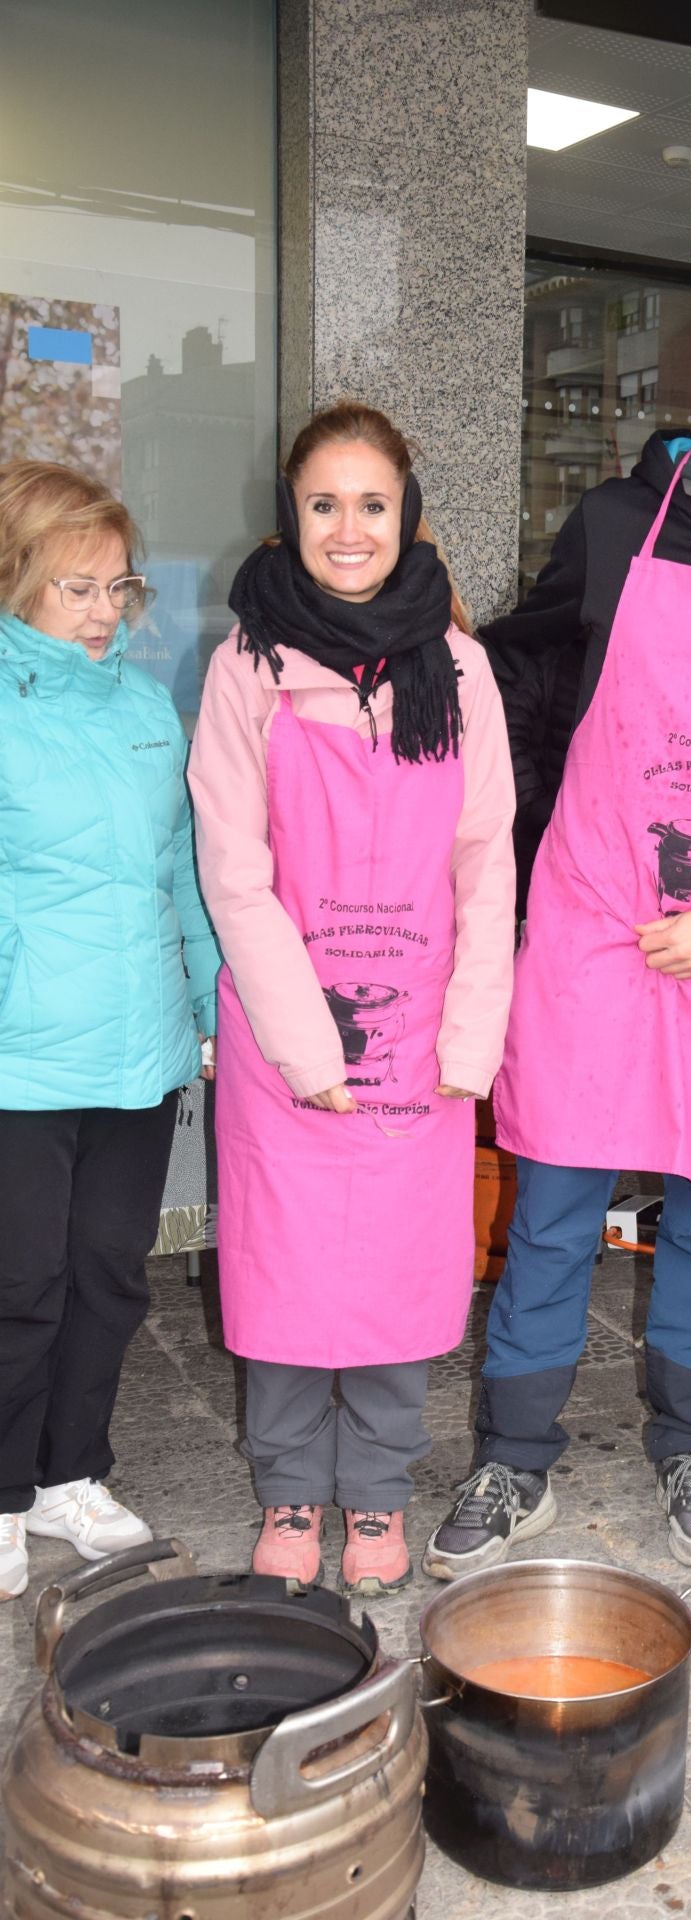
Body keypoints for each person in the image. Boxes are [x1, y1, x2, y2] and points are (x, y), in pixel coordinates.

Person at [424, 302, 691, 1580]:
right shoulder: (619, 526)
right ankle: (514, 1456)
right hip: (592, 923)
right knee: (555, 1203)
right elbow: (524, 680)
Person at [189, 402, 515, 1596]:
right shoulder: (247, 664)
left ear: (407, 514)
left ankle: (375, 1491)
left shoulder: (461, 667)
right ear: (290, 516)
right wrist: (300, 1039)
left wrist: (470, 1036)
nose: (347, 527)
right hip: (285, 1027)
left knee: (393, 1273)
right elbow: (234, 867)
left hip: (421, 1028)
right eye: (323, 503)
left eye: (370, 504)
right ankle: (287, 1484)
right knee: (283, 1272)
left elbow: (488, 859)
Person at [0, 459, 219, 1603]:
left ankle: (68, 1475)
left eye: (115, 589)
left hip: (139, 1043)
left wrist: (211, 993)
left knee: (107, 1274)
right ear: (17, 580)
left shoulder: (142, 702)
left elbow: (181, 868)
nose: (100, 614)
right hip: (20, 1054)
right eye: (72, 589)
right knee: (18, 1283)